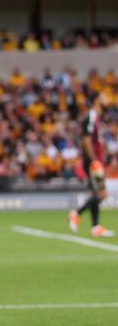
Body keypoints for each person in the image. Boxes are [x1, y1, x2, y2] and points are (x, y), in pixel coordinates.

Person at [69, 93, 114, 237]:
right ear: (97, 100)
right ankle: (78, 214)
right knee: (102, 193)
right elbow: (86, 139)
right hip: (93, 161)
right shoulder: (91, 116)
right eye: (104, 96)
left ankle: (94, 226)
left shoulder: (97, 118)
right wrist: (94, 159)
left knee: (97, 193)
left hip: (95, 159)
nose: (108, 98)